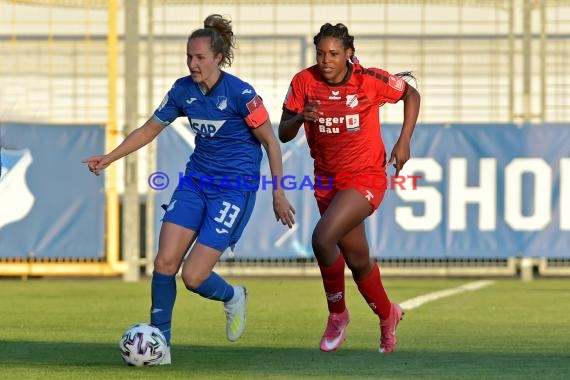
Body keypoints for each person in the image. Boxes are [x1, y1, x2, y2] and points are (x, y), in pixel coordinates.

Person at [84, 14, 295, 365]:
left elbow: (272, 143)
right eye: (188, 57)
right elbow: (149, 129)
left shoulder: (241, 94)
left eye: (199, 57)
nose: (192, 64)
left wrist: (278, 193)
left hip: (232, 190)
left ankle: (233, 296)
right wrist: (110, 157)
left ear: (218, 57)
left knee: (193, 277)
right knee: (164, 261)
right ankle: (160, 347)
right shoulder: (183, 90)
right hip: (195, 182)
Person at [278, 22, 420, 353]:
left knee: (322, 238)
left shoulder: (368, 80)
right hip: (327, 182)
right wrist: (301, 118)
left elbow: (411, 93)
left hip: (367, 177)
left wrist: (404, 141)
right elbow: (284, 132)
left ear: (348, 55)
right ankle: (388, 315)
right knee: (358, 260)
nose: (326, 60)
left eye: (333, 54)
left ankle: (337, 314)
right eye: (320, 53)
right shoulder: (304, 82)